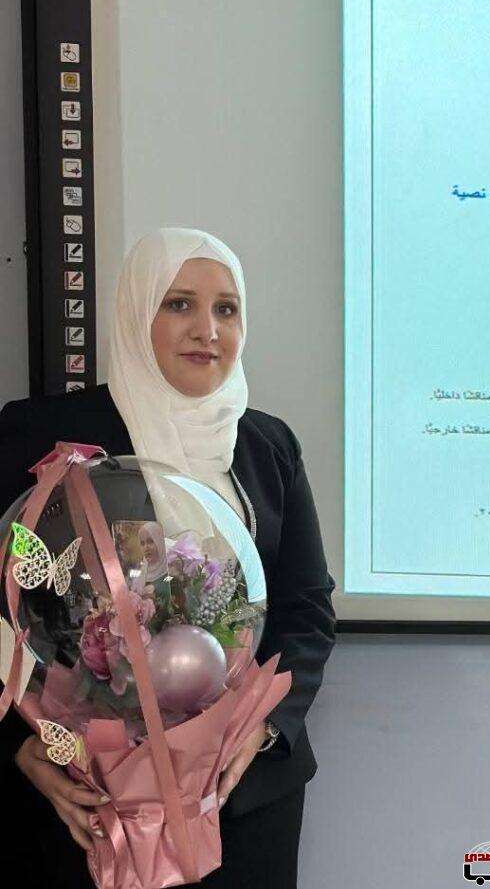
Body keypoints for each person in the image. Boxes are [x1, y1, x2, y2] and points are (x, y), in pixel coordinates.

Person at [0, 228, 336, 888]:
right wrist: (17, 747)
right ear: (135, 309)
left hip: (242, 800)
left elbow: (307, 611)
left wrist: (265, 727)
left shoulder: (268, 445)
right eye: (178, 303)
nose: (207, 330)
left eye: (226, 309)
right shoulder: (41, 434)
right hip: (84, 798)